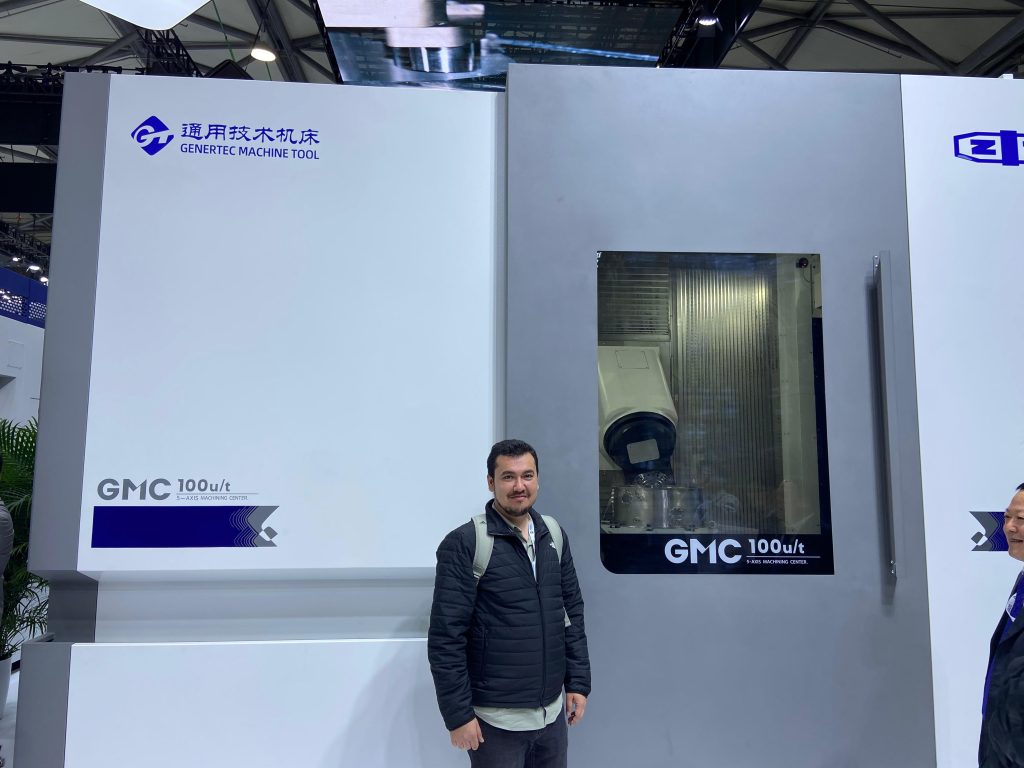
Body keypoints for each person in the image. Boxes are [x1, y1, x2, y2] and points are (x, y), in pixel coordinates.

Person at [428, 439, 591, 768]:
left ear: (537, 479)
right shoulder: (466, 543)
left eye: (527, 475)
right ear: (491, 482)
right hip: (495, 723)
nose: (519, 486)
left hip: (551, 716)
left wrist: (577, 682)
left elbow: (571, 614)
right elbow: (447, 637)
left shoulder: (553, 535)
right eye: (508, 477)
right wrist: (458, 716)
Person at [980, 482, 1024, 768]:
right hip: (1000, 743)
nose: (1009, 527)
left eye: (1021, 519)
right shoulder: (1022, 581)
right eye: (1007, 517)